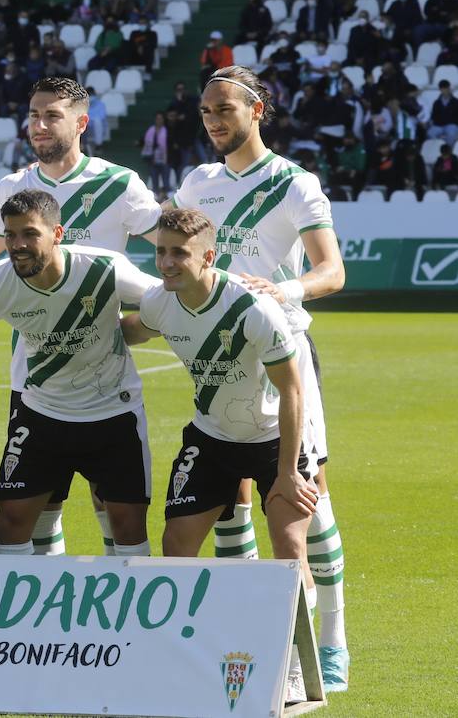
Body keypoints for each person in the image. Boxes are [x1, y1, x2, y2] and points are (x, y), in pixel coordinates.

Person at [170, 64, 348, 691]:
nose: (215, 121)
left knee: (303, 497)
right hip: (218, 361)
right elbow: (177, 252)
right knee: (229, 499)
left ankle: (329, 638)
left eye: (225, 109)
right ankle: (252, 635)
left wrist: (285, 289)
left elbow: (333, 271)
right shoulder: (198, 182)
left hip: (285, 358)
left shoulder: (295, 183)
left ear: (257, 111)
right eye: (207, 112)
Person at [121, 207, 317, 704]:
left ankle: (293, 665)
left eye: (178, 254)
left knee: (290, 551)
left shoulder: (254, 309)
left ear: (208, 256)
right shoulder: (160, 301)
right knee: (177, 544)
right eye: (160, 251)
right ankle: (186, 658)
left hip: (276, 438)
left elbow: (292, 392)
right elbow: (132, 330)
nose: (164, 263)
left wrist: (288, 474)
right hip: (211, 438)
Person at [0, 77, 161, 556]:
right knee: (37, 505)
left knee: (110, 502)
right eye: (34, 115)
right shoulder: (12, 186)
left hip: (102, 374)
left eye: (52, 115)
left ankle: (117, 618)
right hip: (34, 375)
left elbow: (175, 253)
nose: (40, 125)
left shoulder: (118, 184)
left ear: (81, 122)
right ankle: (48, 627)